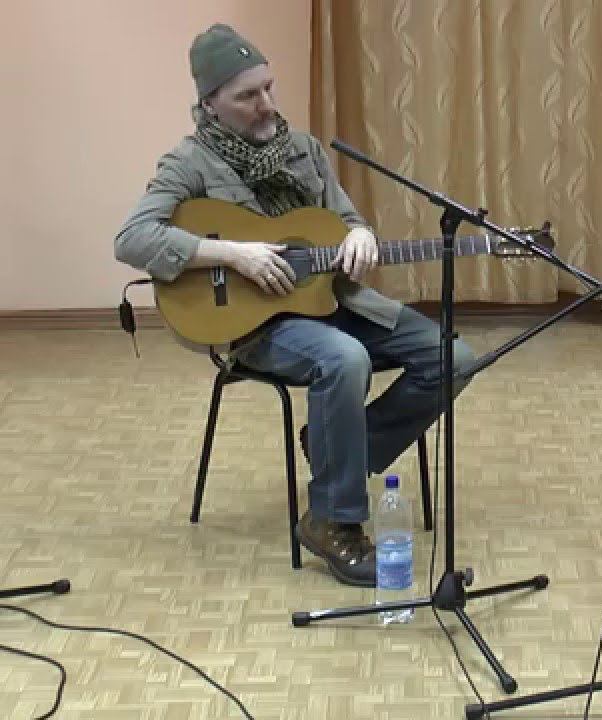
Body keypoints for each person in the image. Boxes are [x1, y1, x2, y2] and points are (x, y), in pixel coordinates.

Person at [114, 24, 476, 588]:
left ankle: (338, 448)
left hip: (333, 300)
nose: (266, 104)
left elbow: (346, 219)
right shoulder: (189, 163)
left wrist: (359, 235)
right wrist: (234, 254)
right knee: (345, 359)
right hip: (258, 325)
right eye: (247, 95)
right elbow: (132, 239)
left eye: (268, 87)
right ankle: (333, 520)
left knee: (454, 356)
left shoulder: (303, 150)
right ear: (210, 104)